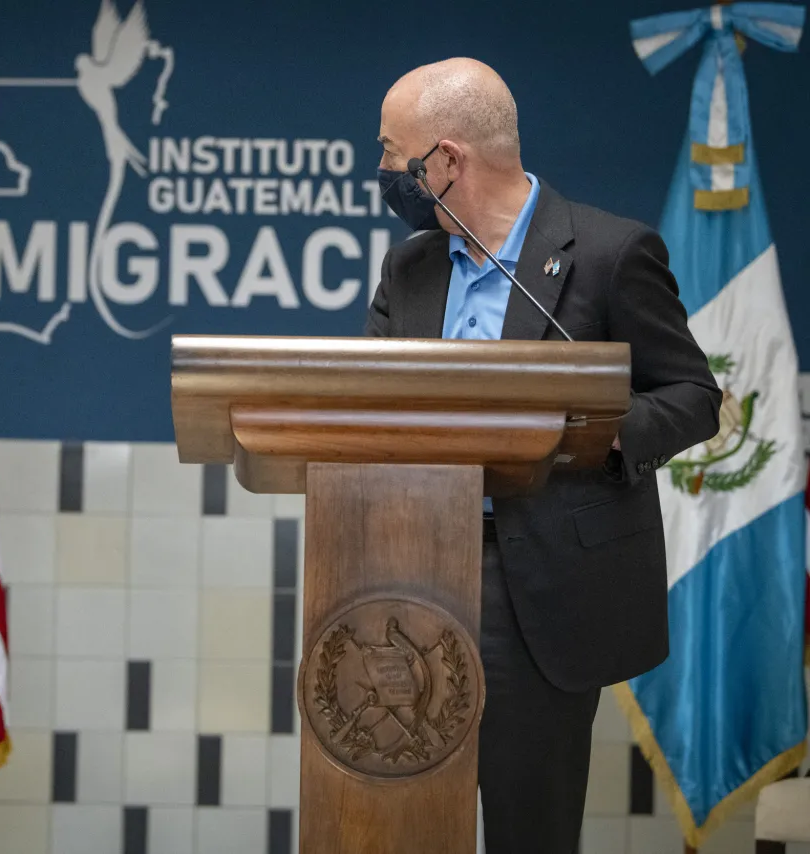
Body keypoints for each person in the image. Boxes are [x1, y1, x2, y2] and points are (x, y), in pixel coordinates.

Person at [366, 58, 721, 853]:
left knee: (530, 829)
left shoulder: (609, 252)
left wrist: (600, 431)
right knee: (402, 815)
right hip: (405, 571)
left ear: (448, 162)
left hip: (541, 586)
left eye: (394, 154)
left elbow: (695, 397)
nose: (384, 172)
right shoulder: (411, 266)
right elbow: (368, 405)